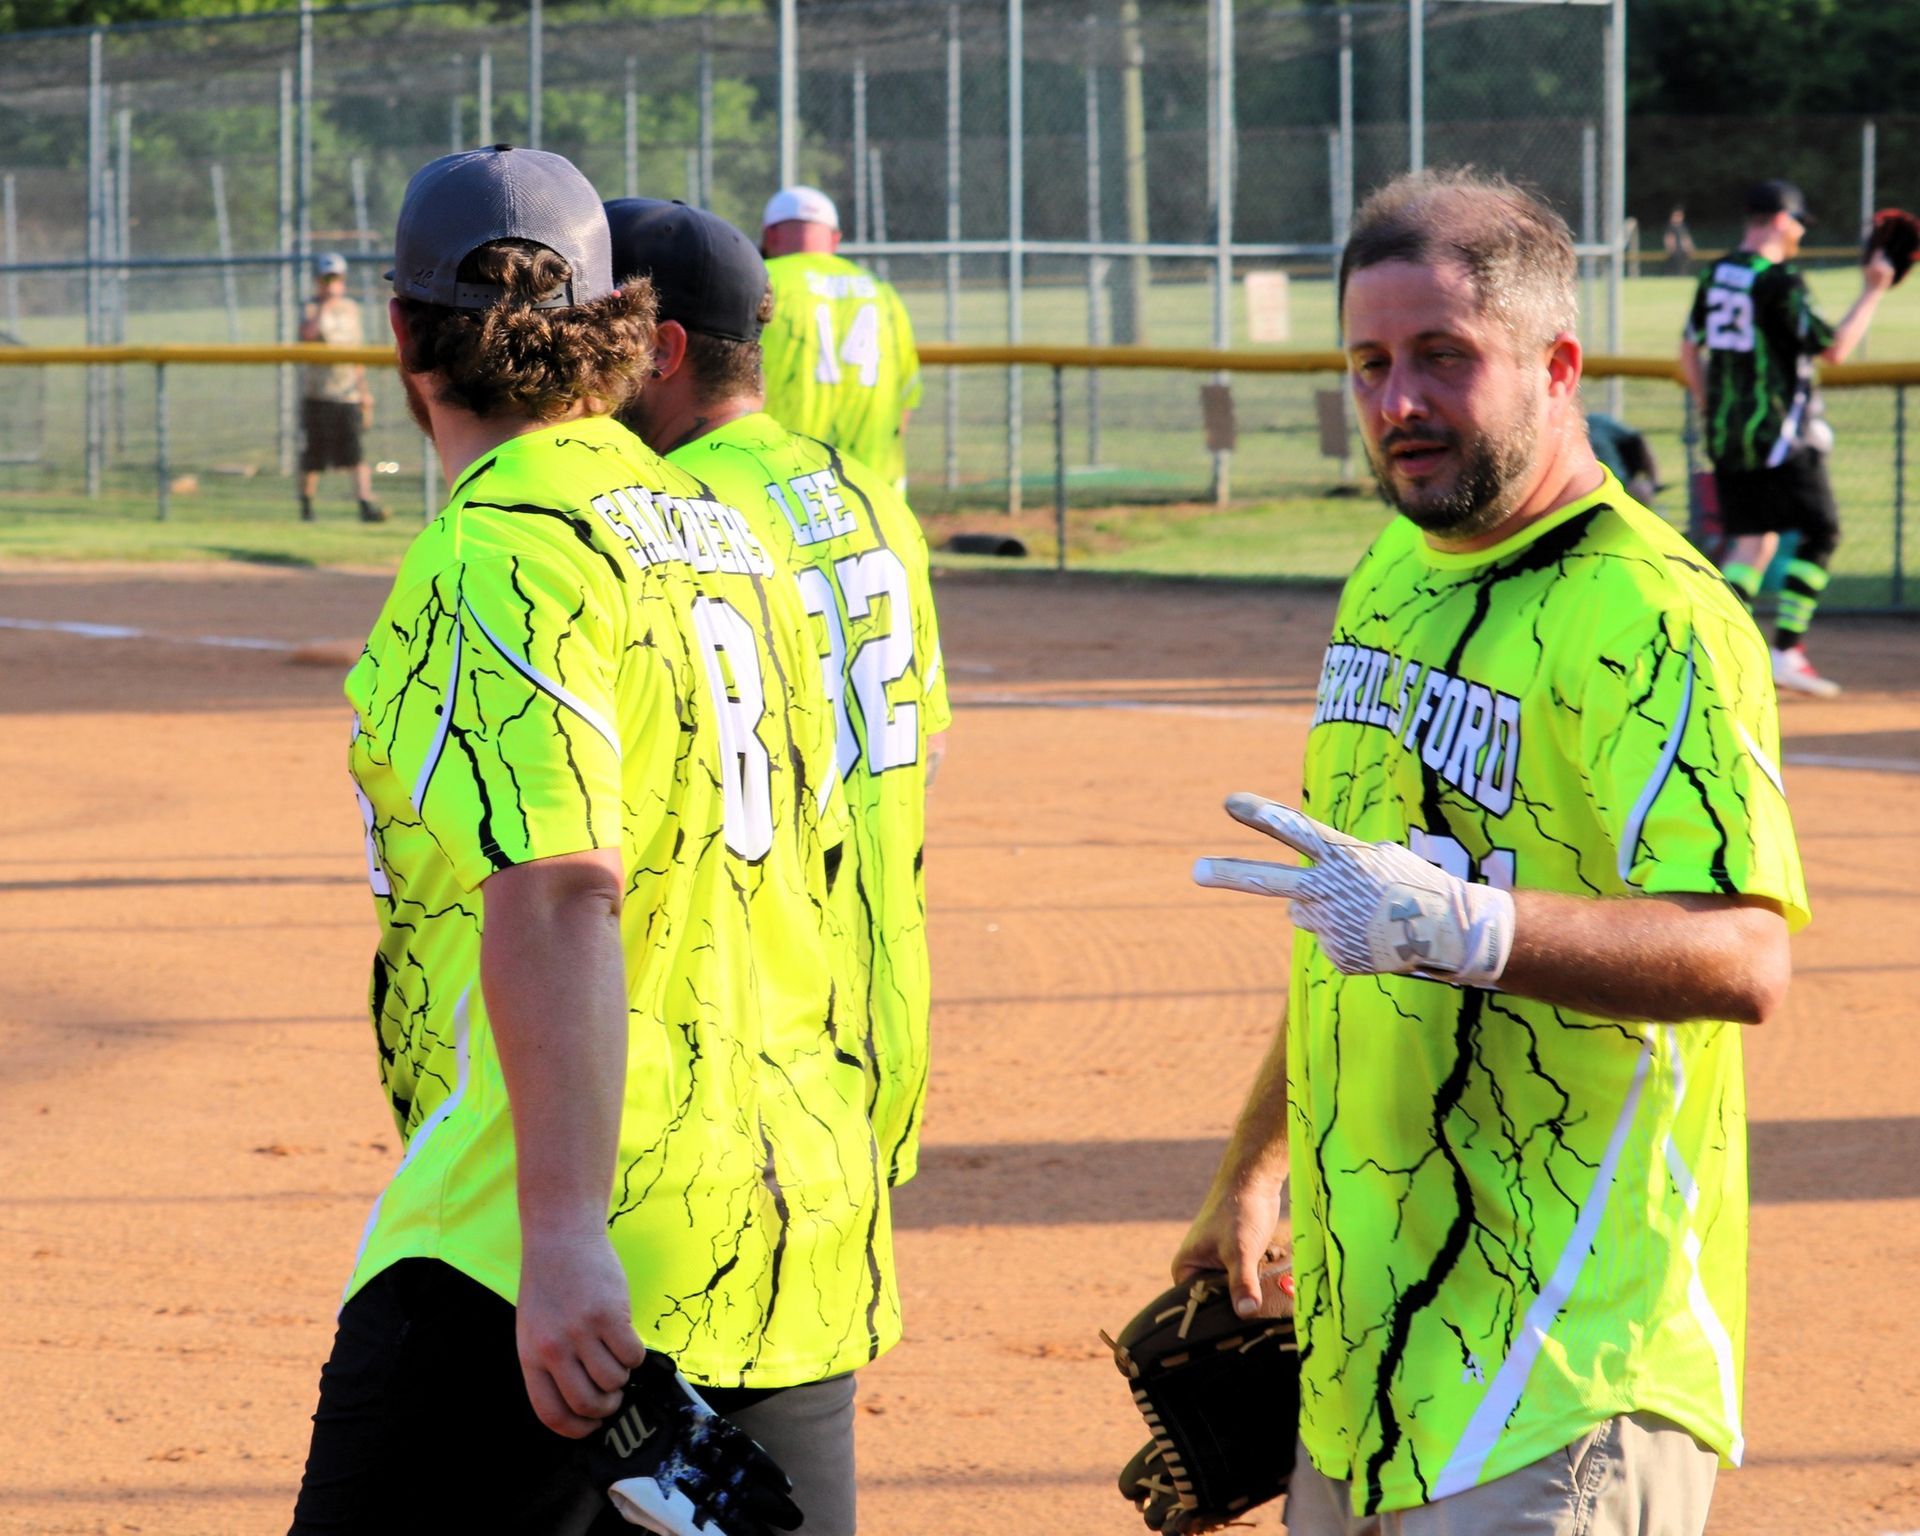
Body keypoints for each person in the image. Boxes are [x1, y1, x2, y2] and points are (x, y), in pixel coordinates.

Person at [1181, 169, 1807, 1536]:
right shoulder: (1390, 573)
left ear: (1557, 364)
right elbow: (1355, 913)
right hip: (1369, 1363)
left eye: (1442, 358)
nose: (1397, 401)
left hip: (1565, 1370)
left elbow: (1748, 953)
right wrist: (1256, 1166)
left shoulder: (1652, 614)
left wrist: (1475, 926)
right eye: (1369, 363)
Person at [289, 146, 892, 1535]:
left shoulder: (497, 548)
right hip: (784, 1220)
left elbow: (563, 888)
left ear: (400, 332)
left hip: (545, 1240)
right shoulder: (739, 534)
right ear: (615, 330)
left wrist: (562, 1240)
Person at [604, 197, 951, 1190]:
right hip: (879, 1024)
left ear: (661, 352)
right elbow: (922, 748)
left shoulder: (676, 516)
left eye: (597, 335)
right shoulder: (873, 498)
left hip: (737, 1047)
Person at [1679, 178, 1895, 696]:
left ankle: (1712, 651)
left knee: (1753, 541)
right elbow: (1835, 349)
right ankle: (1786, 649)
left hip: (1729, 433)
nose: (1799, 231)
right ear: (1779, 219)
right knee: (1822, 531)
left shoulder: (1717, 273)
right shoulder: (1779, 282)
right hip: (1779, 434)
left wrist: (1717, 410)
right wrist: (1874, 289)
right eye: (1797, 221)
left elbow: (1689, 352)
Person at [758, 185, 922, 492]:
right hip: (872, 488)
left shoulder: (760, 281)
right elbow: (905, 401)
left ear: (771, 236)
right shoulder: (882, 292)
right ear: (834, 239)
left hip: (782, 482)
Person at [297, 251, 386, 523]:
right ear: (317, 280)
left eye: (335, 277)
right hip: (319, 393)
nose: (331, 282)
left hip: (347, 392)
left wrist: (364, 391)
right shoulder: (310, 307)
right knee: (314, 456)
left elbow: (356, 352)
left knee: (355, 452)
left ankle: (364, 505)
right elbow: (307, 336)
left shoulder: (351, 309)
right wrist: (325, 303)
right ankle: (307, 508)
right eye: (326, 277)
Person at [1663, 206, 1696, 275]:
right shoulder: (1671, 226)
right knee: (1673, 268)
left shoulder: (1683, 227)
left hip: (1683, 251)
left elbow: (1686, 238)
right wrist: (1670, 247)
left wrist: (1690, 247)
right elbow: (1669, 238)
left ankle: (1682, 276)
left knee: (1683, 267)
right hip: (1675, 251)